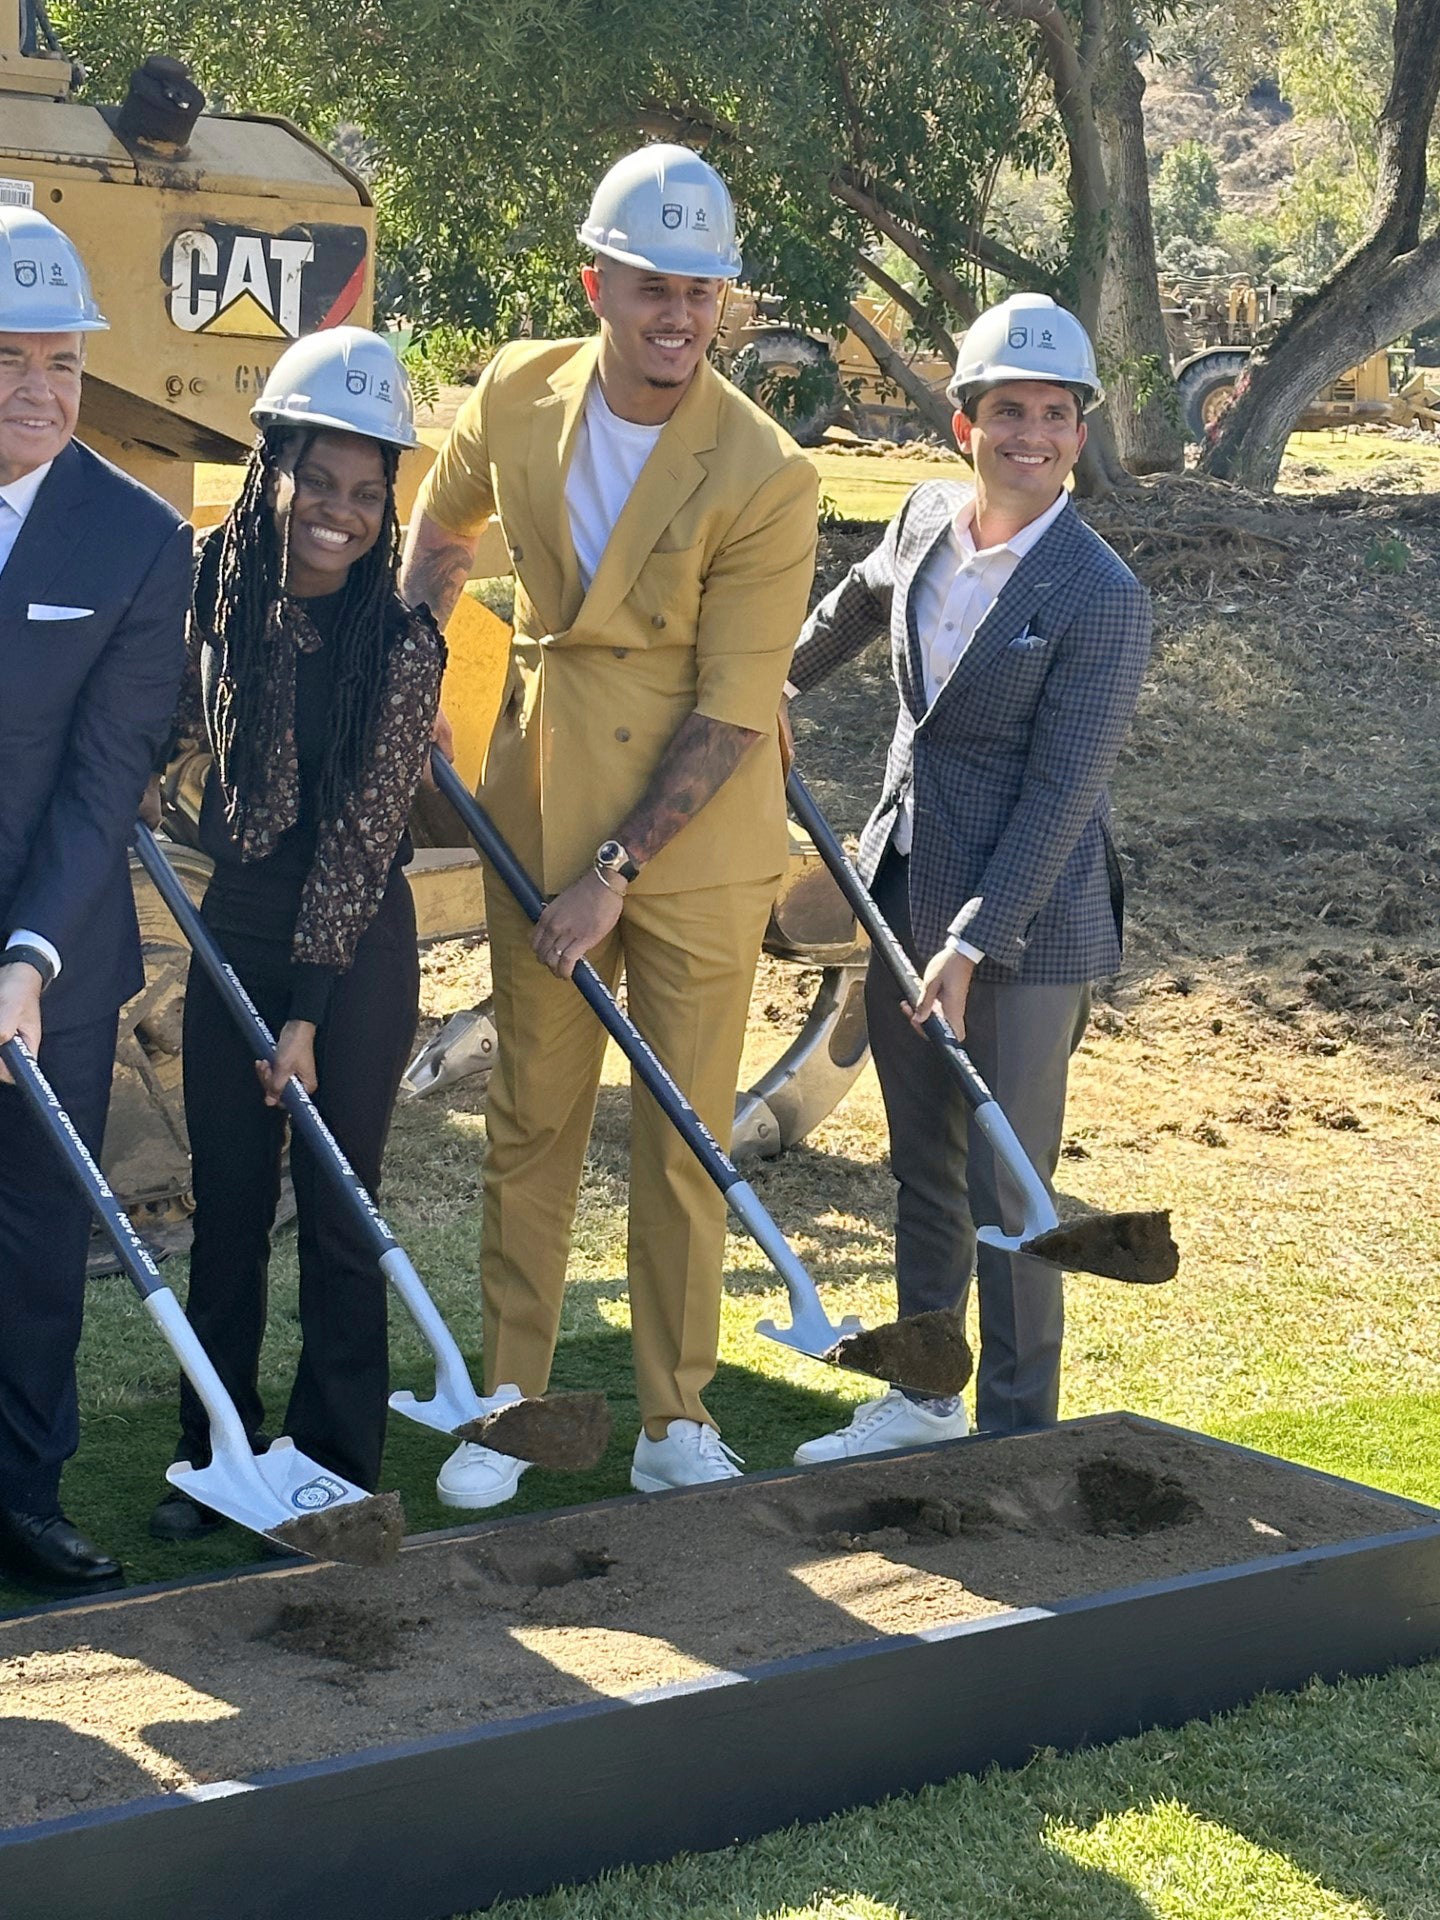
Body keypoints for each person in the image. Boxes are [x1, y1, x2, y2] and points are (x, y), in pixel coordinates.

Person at [400, 145, 817, 1508]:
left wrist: (615, 876)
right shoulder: (517, 393)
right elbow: (441, 526)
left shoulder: (767, 470)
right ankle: (509, 1404)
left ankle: (671, 1417)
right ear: (599, 283)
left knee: (685, 1135)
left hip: (695, 846)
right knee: (533, 1121)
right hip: (538, 811)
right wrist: (420, 667)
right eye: (653, 287)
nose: (681, 316)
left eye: (704, 291)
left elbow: (730, 710)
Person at [786, 293, 1153, 1459]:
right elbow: (852, 606)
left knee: (1014, 1193)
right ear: (964, 425)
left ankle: (1017, 1436)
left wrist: (974, 942)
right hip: (900, 893)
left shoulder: (1102, 596)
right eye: (1007, 411)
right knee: (923, 1169)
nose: (1029, 434)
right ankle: (926, 1396)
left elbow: (1059, 795)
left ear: (1080, 435)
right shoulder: (925, 519)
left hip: (1027, 932)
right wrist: (770, 689)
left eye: (1054, 414)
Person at [148, 329, 446, 1542]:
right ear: (272, 466)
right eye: (318, 481)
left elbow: (363, 845)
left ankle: (332, 1457)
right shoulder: (208, 591)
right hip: (236, 924)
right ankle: (214, 1447)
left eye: (369, 494)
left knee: (337, 1202)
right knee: (226, 1206)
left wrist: (309, 1016)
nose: (341, 513)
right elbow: (158, 716)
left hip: (355, 946)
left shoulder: (400, 644)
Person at [0, 208, 191, 1595]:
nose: (40, 393)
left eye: (62, 362)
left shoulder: (132, 539)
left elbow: (105, 774)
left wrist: (27, 954)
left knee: (35, 1242)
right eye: (10, 360)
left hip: (50, 953)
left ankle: (20, 1498)